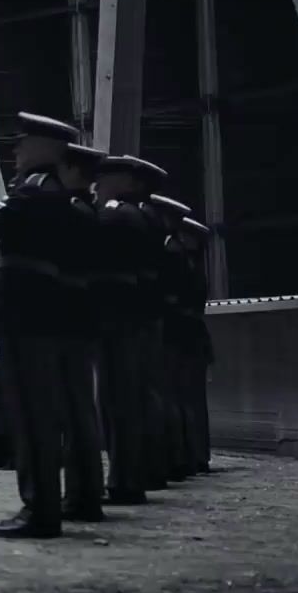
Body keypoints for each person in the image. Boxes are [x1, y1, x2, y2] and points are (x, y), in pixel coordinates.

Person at [0, 112, 91, 538]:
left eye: (25, 142)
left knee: (31, 416)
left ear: (46, 148)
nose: (17, 149)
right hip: (39, 314)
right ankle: (43, 503)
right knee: (39, 413)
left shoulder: (36, 191)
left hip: (28, 316)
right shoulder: (52, 193)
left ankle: (39, 508)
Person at [92, 154, 164, 505]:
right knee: (130, 399)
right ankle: (135, 472)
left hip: (116, 318)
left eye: (106, 177)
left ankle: (124, 479)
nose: (99, 183)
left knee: (116, 400)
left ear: (127, 182)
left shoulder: (118, 214)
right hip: (133, 317)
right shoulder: (144, 216)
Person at [54, 142, 110, 521]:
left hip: (71, 320)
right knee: (78, 411)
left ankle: (82, 494)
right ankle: (83, 491)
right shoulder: (89, 212)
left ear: (75, 172)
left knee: (74, 412)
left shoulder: (74, 213)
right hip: (83, 321)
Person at [150, 193, 197, 481]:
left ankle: (175, 458)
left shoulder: (168, 251)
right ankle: (184, 456)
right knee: (177, 398)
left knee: (167, 395)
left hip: (170, 330)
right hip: (181, 331)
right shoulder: (181, 252)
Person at [177, 217, 215, 474]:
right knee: (192, 400)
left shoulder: (189, 269)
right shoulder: (193, 267)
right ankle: (196, 452)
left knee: (189, 400)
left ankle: (195, 452)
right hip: (193, 339)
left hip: (187, 339)